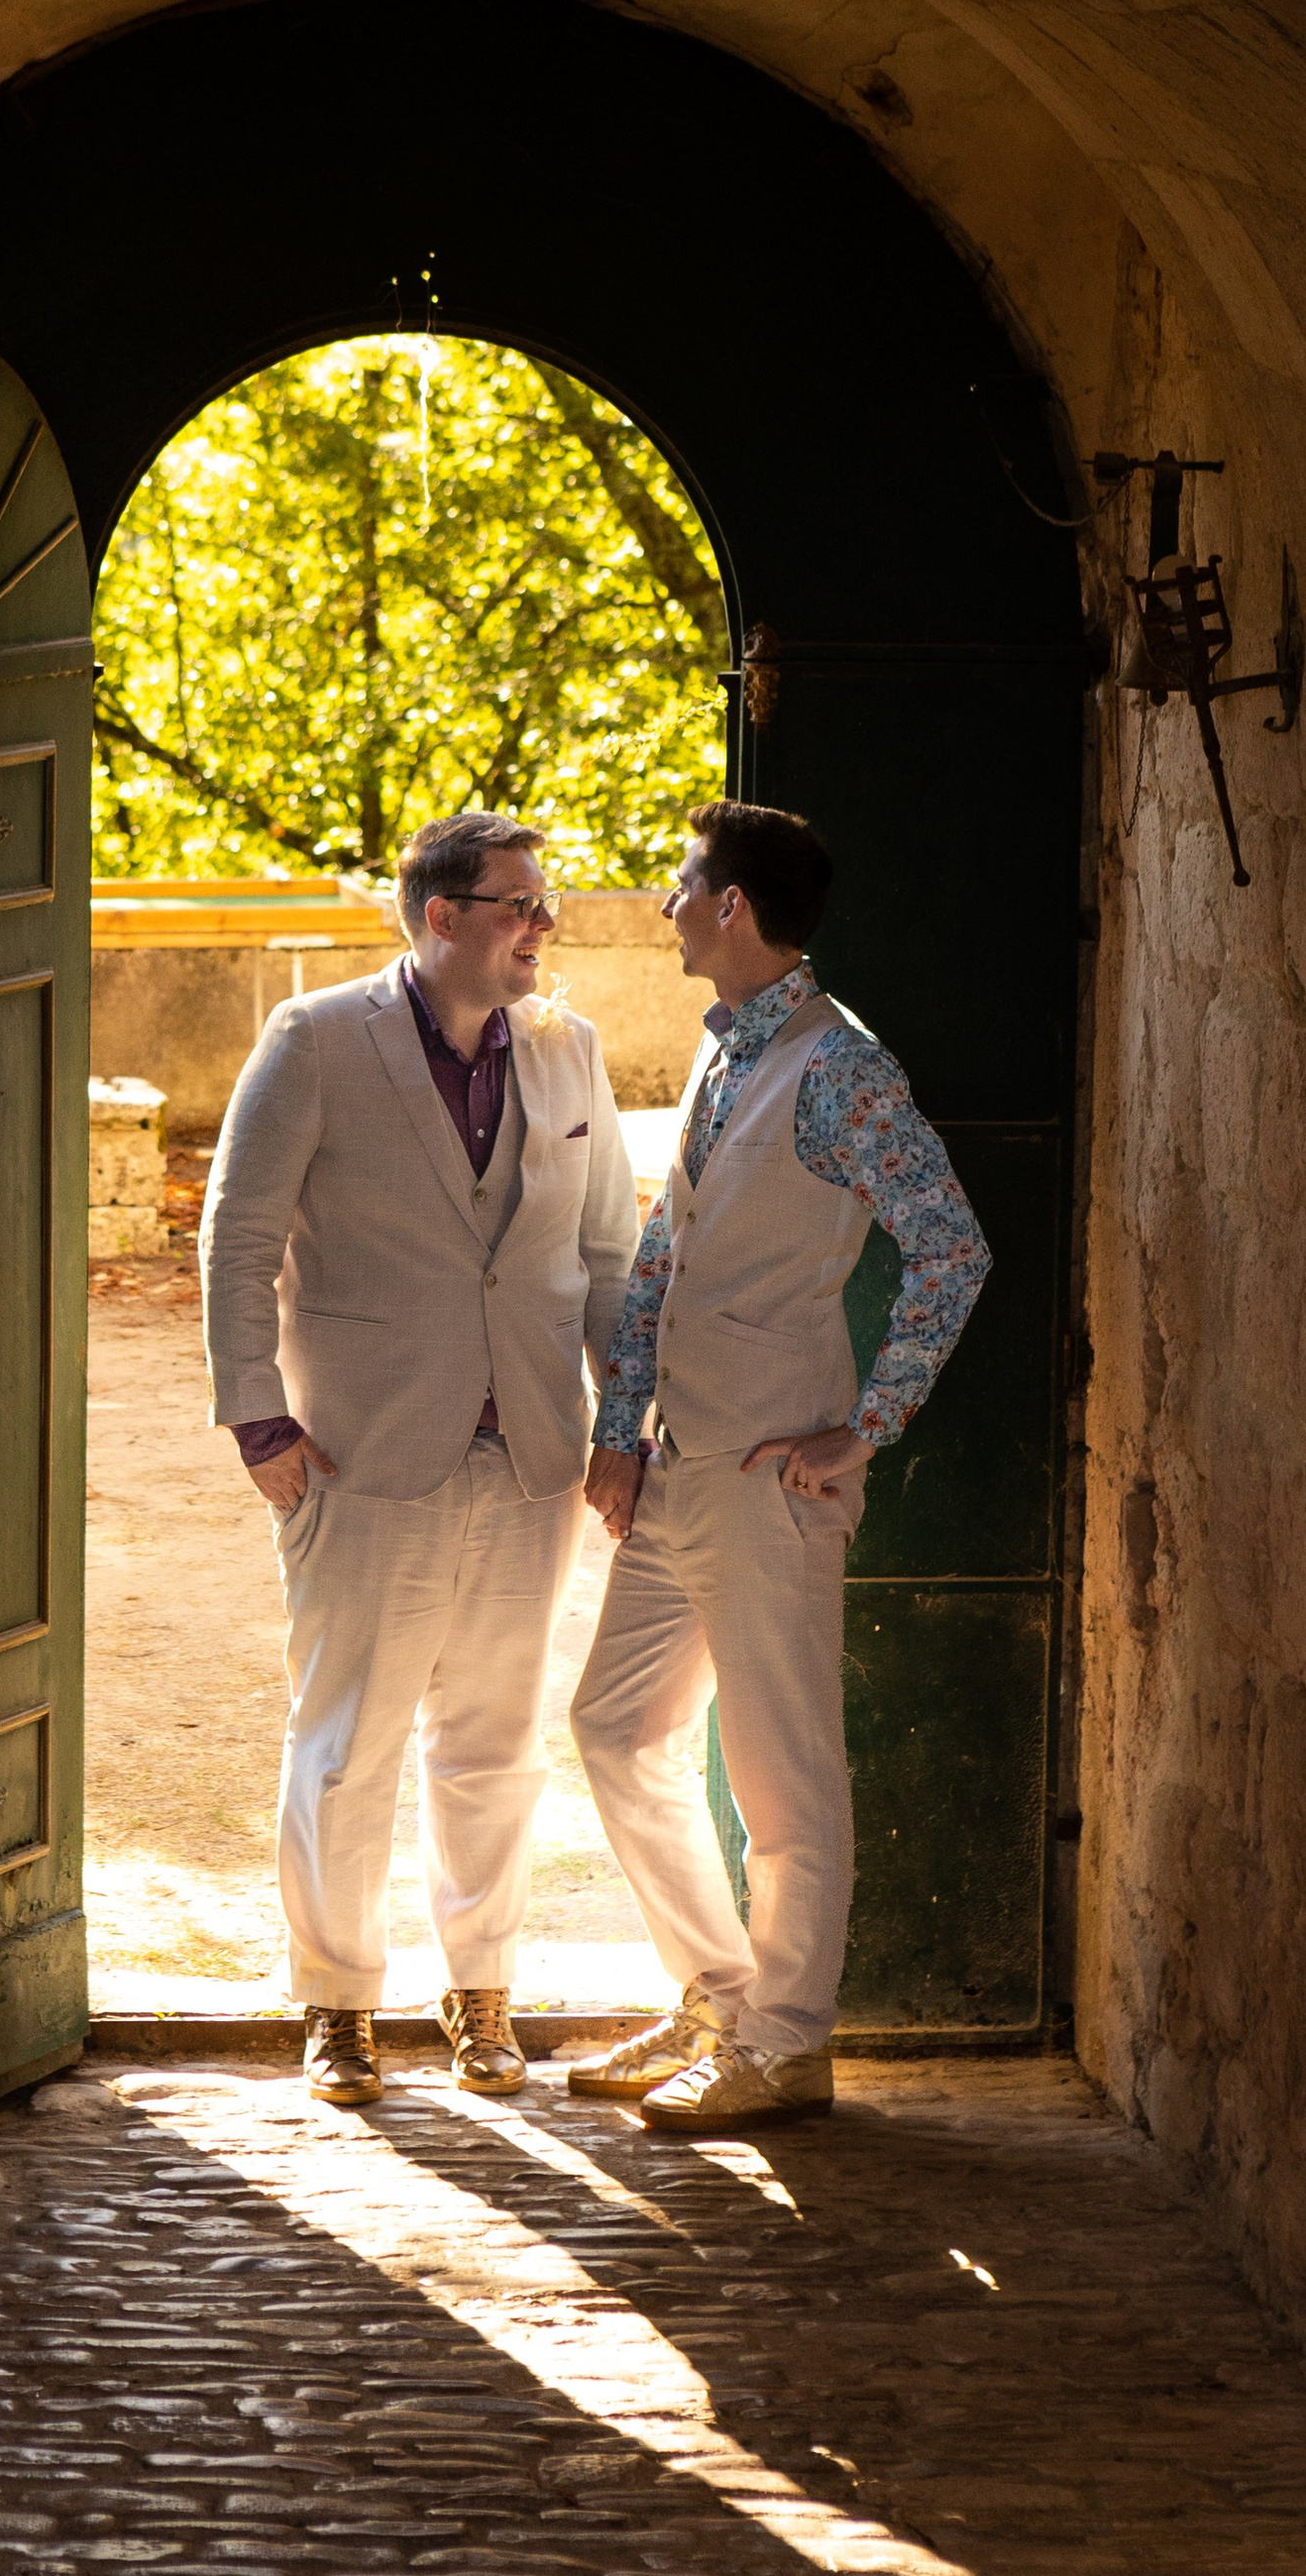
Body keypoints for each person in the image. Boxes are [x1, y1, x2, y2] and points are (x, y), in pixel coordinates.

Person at [201, 812, 640, 2107]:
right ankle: (337, 2006)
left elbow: (610, 1254)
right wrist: (256, 1416)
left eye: (544, 902)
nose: (543, 924)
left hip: (533, 1455)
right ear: (442, 918)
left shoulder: (571, 1052)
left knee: (499, 1741)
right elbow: (238, 1237)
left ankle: (482, 1991)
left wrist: (623, 1425)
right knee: (347, 1741)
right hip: (356, 1448)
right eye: (519, 904)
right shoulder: (317, 1042)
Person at [568, 799, 991, 2129]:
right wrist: (618, 1430)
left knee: (781, 1771)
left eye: (683, 884)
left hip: (772, 1477)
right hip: (680, 1461)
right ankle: (719, 1994)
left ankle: (788, 2038)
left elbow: (952, 1248)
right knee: (614, 1727)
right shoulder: (725, 1051)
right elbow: (665, 1255)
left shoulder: (840, 1068)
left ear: (734, 906)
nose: (667, 904)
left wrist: (867, 1425)